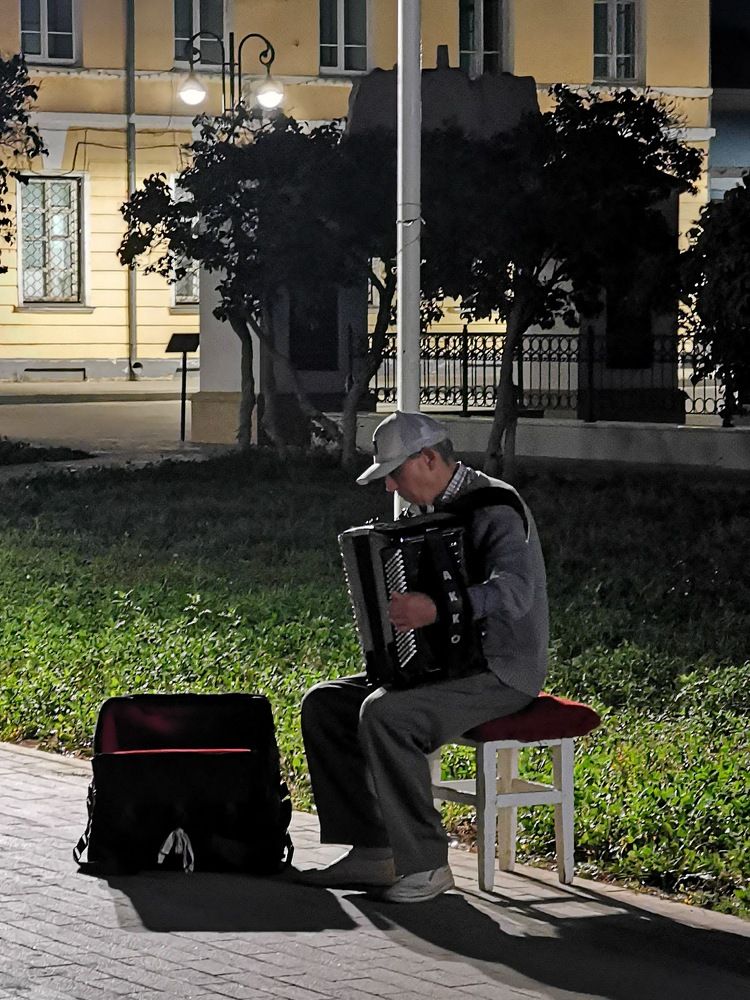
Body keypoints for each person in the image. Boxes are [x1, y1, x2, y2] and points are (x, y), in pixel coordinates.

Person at [297, 410, 549, 903]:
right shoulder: (417, 513)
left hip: (501, 669)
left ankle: (428, 864)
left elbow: (515, 593)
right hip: (444, 665)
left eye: (395, 471)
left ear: (430, 458)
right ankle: (375, 849)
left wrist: (437, 609)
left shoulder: (494, 506)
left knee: (387, 713)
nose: (390, 483)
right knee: (325, 702)